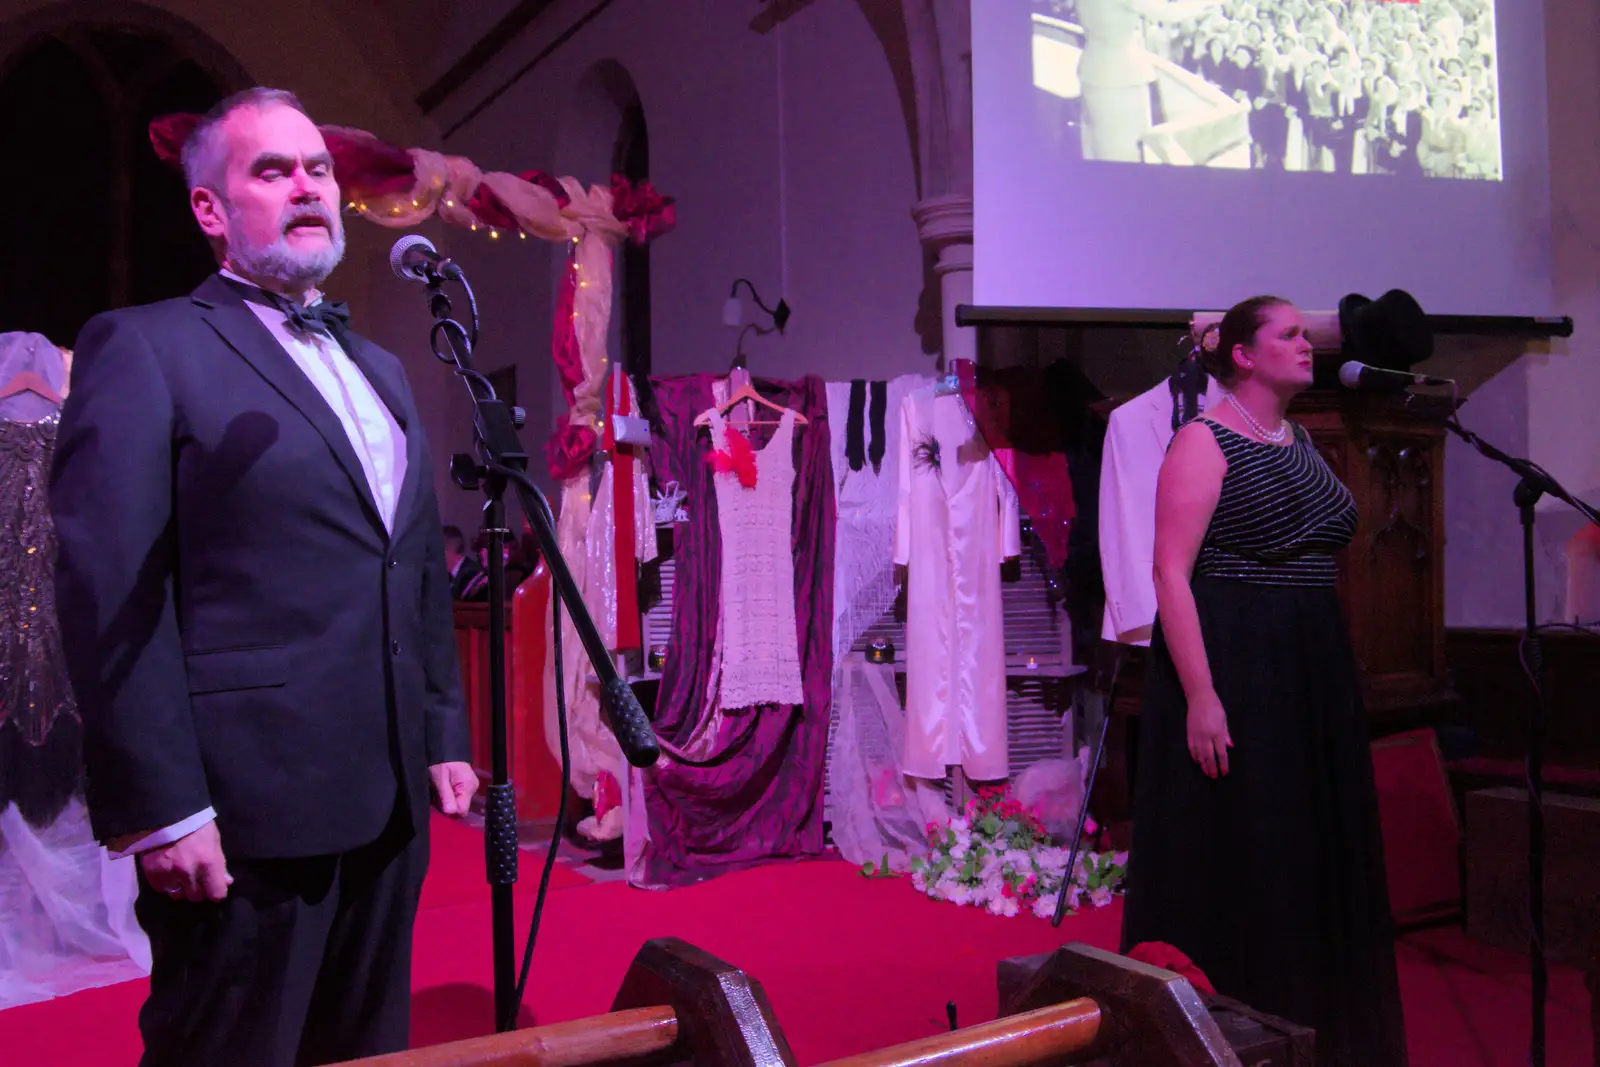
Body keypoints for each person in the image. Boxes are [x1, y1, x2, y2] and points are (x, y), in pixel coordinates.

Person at [49, 87, 476, 1067]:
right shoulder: (146, 345)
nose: (306, 187)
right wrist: (162, 802)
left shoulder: (383, 368)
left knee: (363, 1047)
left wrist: (442, 729)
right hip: (244, 803)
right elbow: (110, 586)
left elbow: (405, 564)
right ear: (211, 209)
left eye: (317, 168)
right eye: (271, 171)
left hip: (389, 793)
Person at [1119, 296, 1407, 1067]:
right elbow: (1170, 574)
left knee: (1312, 853)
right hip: (1241, 667)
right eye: (1288, 335)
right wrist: (1203, 695)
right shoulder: (1202, 440)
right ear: (1243, 354)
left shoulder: (1299, 438)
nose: (1306, 345)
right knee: (1256, 850)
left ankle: (1323, 1026)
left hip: (1310, 668)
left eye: (1305, 335)